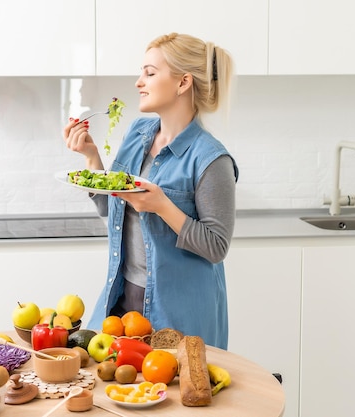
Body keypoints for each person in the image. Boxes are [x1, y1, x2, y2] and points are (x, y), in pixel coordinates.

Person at [62, 33, 238, 349]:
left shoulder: (211, 159)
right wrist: (92, 158)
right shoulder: (137, 133)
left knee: (172, 394)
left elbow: (216, 246)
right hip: (123, 297)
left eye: (150, 72)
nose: (139, 82)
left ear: (183, 83)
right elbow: (110, 206)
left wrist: (161, 206)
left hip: (179, 313)